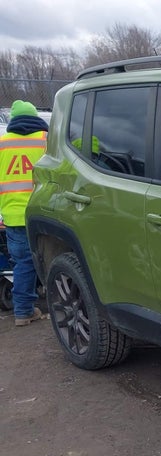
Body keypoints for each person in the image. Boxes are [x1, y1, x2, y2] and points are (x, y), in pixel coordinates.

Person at [0, 100, 49, 325]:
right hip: (43, 212)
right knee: (54, 257)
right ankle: (53, 299)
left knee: (22, 263)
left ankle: (23, 310)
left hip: (12, 216)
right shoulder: (44, 140)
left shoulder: (2, 144)